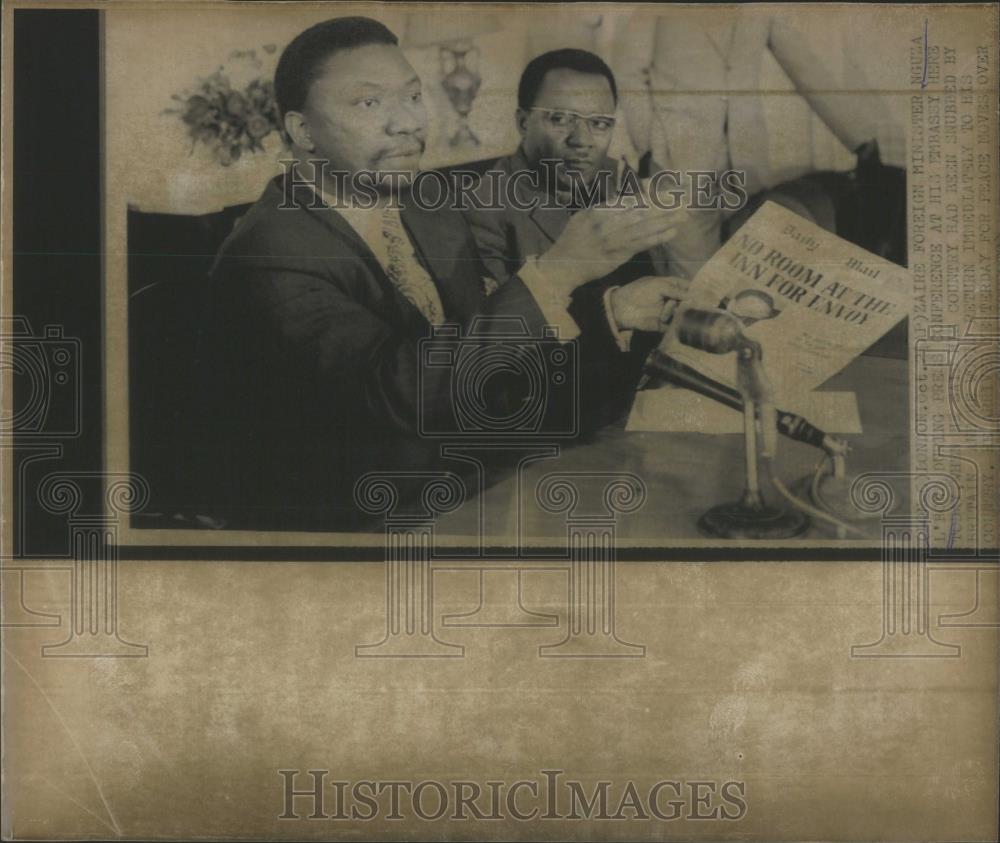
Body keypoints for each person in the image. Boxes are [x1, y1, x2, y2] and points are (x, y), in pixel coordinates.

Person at [195, 17, 687, 531]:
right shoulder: (269, 253)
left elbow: (487, 373)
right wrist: (559, 272)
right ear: (303, 132)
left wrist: (613, 312)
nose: (407, 122)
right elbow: (401, 392)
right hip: (369, 528)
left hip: (485, 481)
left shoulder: (427, 208)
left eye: (411, 97)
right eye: (370, 103)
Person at [464, 48, 685, 428]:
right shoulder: (483, 211)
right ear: (522, 122)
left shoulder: (619, 179)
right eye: (560, 119)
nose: (582, 140)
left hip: (644, 397)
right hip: (558, 417)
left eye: (599, 123)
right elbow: (498, 366)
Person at [614, 9, 890, 278]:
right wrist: (649, 146)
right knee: (693, 285)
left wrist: (858, 139)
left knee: (744, 280)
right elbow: (628, 74)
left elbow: (805, 66)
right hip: (679, 166)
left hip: (746, 170)